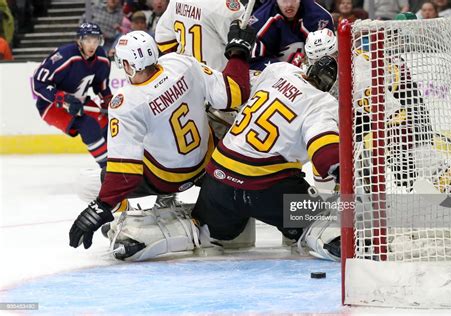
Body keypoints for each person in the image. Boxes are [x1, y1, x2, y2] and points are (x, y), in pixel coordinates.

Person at [68, 25, 256, 258]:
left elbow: (124, 174)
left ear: (127, 65)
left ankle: (136, 219)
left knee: (86, 182)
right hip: (209, 164)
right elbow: (234, 92)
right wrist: (239, 53)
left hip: (165, 179)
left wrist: (101, 207)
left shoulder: (126, 102)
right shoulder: (183, 64)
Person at [192, 55, 341, 261]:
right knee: (327, 219)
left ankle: (169, 230)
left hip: (218, 184)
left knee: (207, 234)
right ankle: (320, 235)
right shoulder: (324, 103)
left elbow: (240, 91)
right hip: (269, 193)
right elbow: (326, 157)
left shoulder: (280, 70)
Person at [32, 23, 111, 167]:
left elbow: (101, 85)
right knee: (88, 125)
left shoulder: (102, 59)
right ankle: (107, 169)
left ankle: (119, 166)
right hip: (51, 105)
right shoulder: (65, 56)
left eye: (95, 41)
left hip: (80, 100)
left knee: (109, 127)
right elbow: (38, 82)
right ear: (79, 41)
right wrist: (63, 99)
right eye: (88, 40)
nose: (92, 45)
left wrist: (109, 103)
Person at [155, 0, 245, 72]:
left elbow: (163, 40)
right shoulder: (225, 7)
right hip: (218, 81)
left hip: (187, 75)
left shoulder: (176, 2)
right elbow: (247, 48)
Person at [249, 0, 334, 71]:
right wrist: (285, 70)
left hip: (310, 76)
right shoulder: (260, 21)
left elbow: (330, 60)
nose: (289, 5)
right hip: (274, 80)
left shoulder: (320, 18)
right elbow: (252, 63)